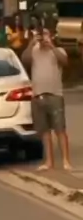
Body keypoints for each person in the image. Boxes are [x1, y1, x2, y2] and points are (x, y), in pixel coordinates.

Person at [22, 28, 71, 171]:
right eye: (40, 35)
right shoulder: (34, 50)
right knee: (44, 131)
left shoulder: (58, 50)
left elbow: (65, 61)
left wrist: (52, 46)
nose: (43, 38)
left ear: (51, 36)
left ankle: (66, 161)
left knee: (60, 129)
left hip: (55, 94)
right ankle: (49, 162)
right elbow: (25, 60)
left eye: (45, 34)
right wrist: (31, 44)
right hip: (38, 95)